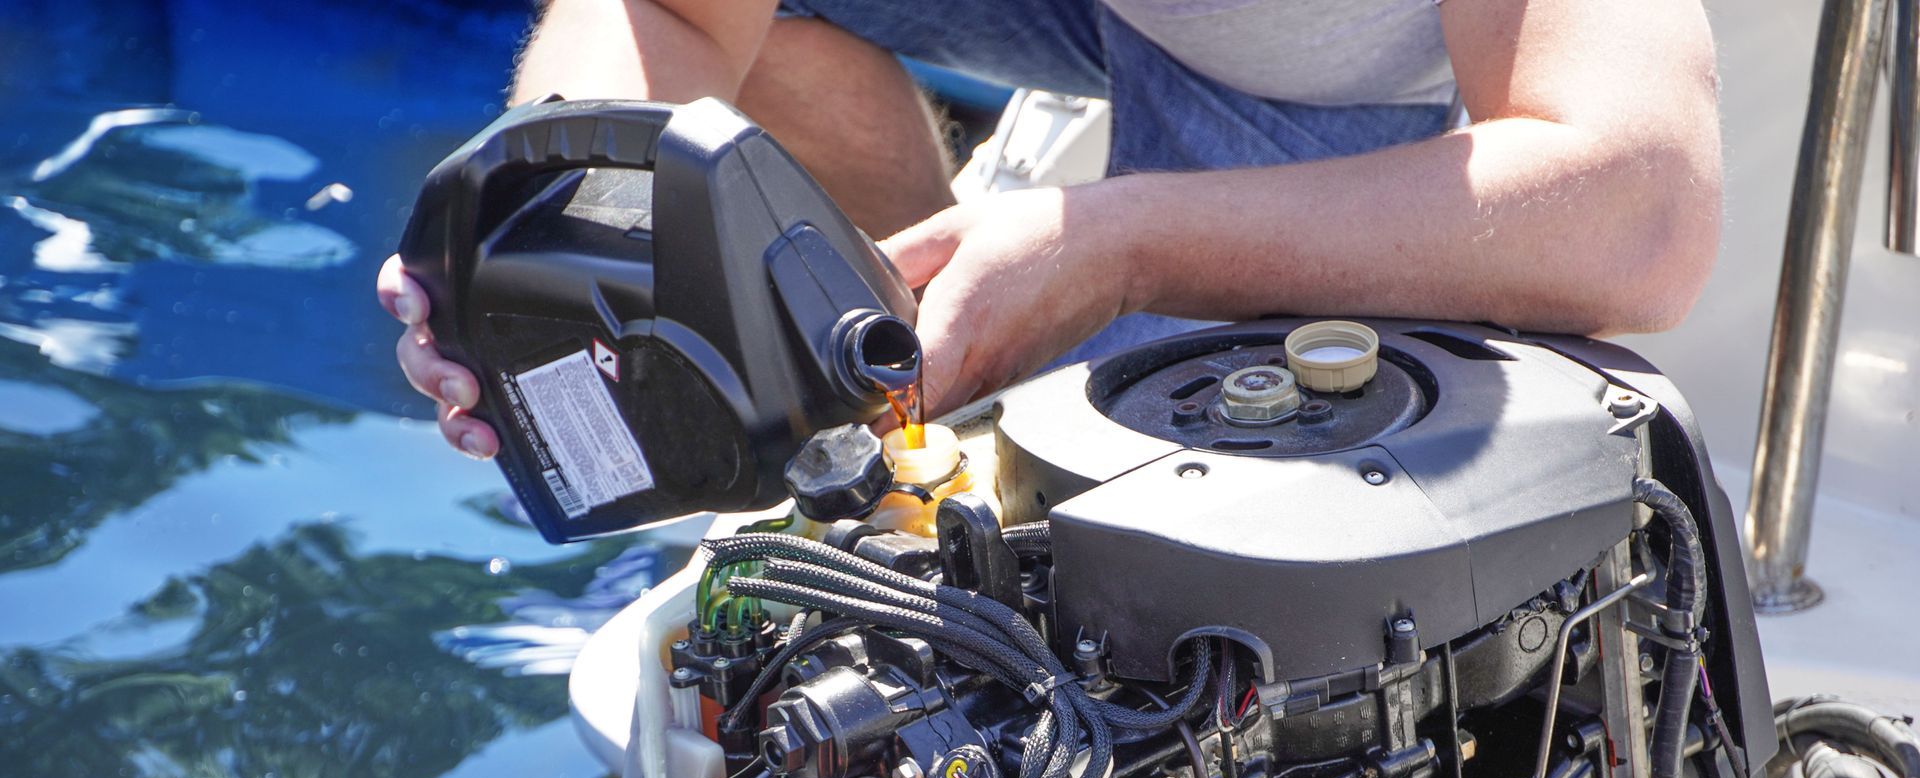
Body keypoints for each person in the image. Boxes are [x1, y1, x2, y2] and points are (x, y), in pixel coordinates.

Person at [377, 0, 1721, 461]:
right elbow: (674, 18)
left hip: (1313, 57)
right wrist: (537, 212)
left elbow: (1638, 204)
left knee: (1174, 544)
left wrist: (1123, 244)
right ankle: (910, 347)